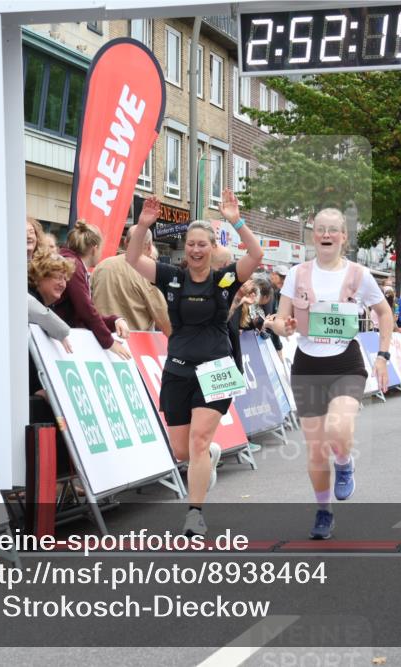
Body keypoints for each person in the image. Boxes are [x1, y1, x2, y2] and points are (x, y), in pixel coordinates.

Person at [128, 191, 263, 537]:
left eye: (202, 244)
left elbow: (256, 255)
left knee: (199, 441)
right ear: (185, 247)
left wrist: (237, 220)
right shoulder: (171, 276)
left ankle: (194, 515)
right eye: (191, 244)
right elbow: (131, 259)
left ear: (212, 246)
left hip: (217, 370)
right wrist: (142, 226)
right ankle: (208, 457)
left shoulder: (225, 280)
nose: (196, 250)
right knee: (181, 450)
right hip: (177, 369)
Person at [266, 207, 393, 540]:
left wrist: (383, 355)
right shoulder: (297, 274)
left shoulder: (359, 275)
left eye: (332, 230)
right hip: (307, 364)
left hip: (346, 363)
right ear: (313, 234)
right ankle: (323, 511)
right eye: (319, 229)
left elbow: (383, 312)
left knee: (338, 429)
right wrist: (283, 326)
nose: (325, 234)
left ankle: (346, 461)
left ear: (343, 237)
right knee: (316, 450)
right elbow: (281, 321)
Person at [55, 221, 131, 359]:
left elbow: (86, 313)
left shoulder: (74, 264)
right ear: (94, 249)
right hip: (57, 341)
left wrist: (115, 321)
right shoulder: (75, 265)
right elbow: (86, 311)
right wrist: (109, 342)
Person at [91, 225, 171, 334]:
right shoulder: (149, 273)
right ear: (149, 247)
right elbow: (163, 319)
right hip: (134, 343)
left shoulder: (101, 266)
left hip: (99, 340)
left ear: (125, 242)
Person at [28, 253, 76, 397]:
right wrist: (36, 388)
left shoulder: (49, 307)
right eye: (57, 277)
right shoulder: (29, 300)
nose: (62, 284)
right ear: (40, 277)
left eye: (64, 278)